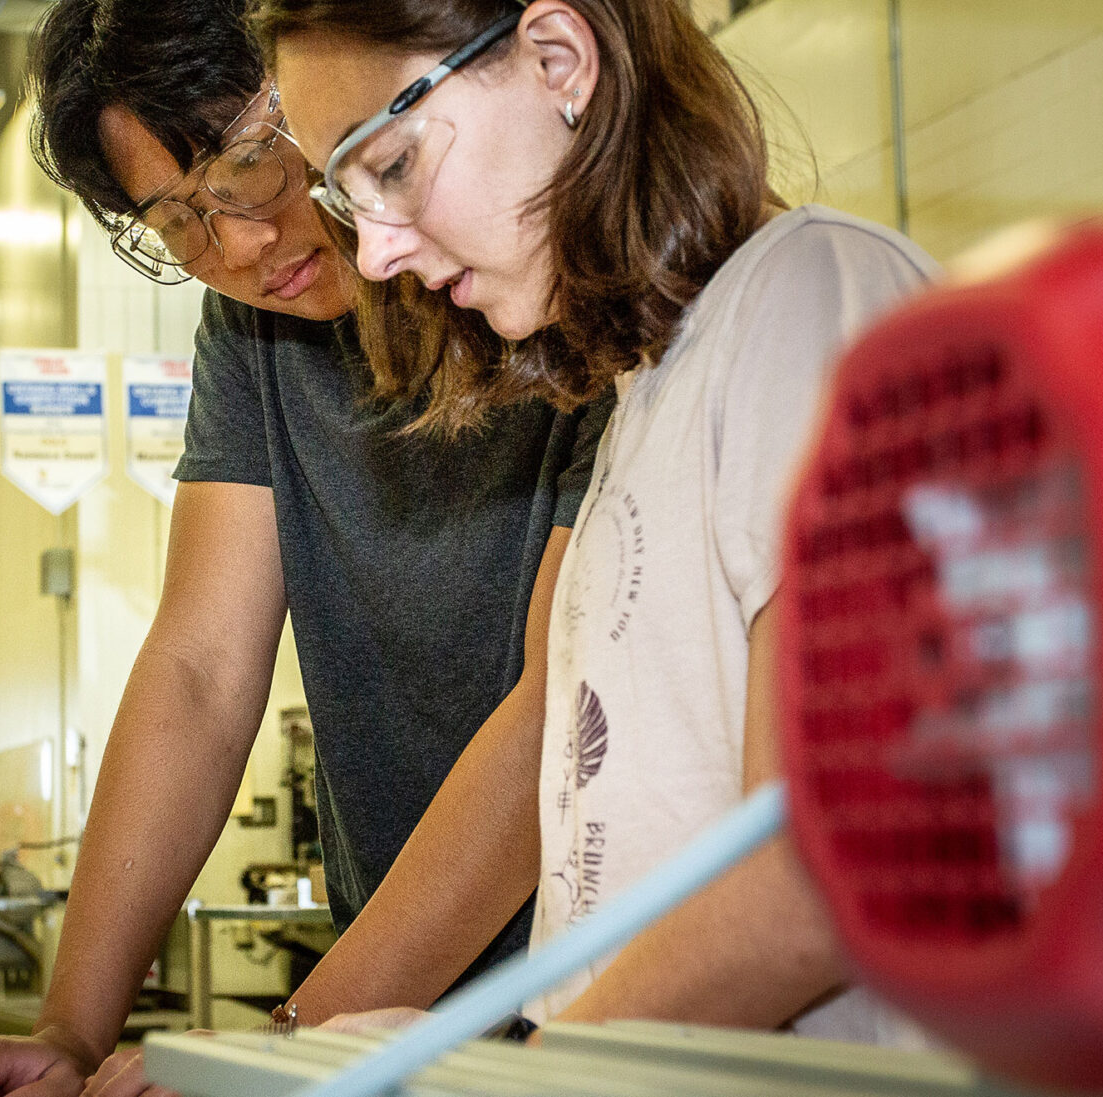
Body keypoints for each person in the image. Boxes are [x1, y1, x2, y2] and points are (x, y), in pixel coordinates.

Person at [0, 1, 612, 1094]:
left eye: (255, 169)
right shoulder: (257, 331)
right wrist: (71, 1027)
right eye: (177, 223)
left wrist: (295, 1035)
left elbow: (559, 707)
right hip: (385, 999)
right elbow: (200, 669)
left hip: (601, 976)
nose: (243, 247)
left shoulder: (570, 296)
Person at [254, 0, 939, 1038]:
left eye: (387, 166)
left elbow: (828, 856)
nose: (380, 255)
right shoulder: (645, 394)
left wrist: (537, 1070)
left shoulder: (813, 294)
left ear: (557, 59)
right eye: (346, 200)